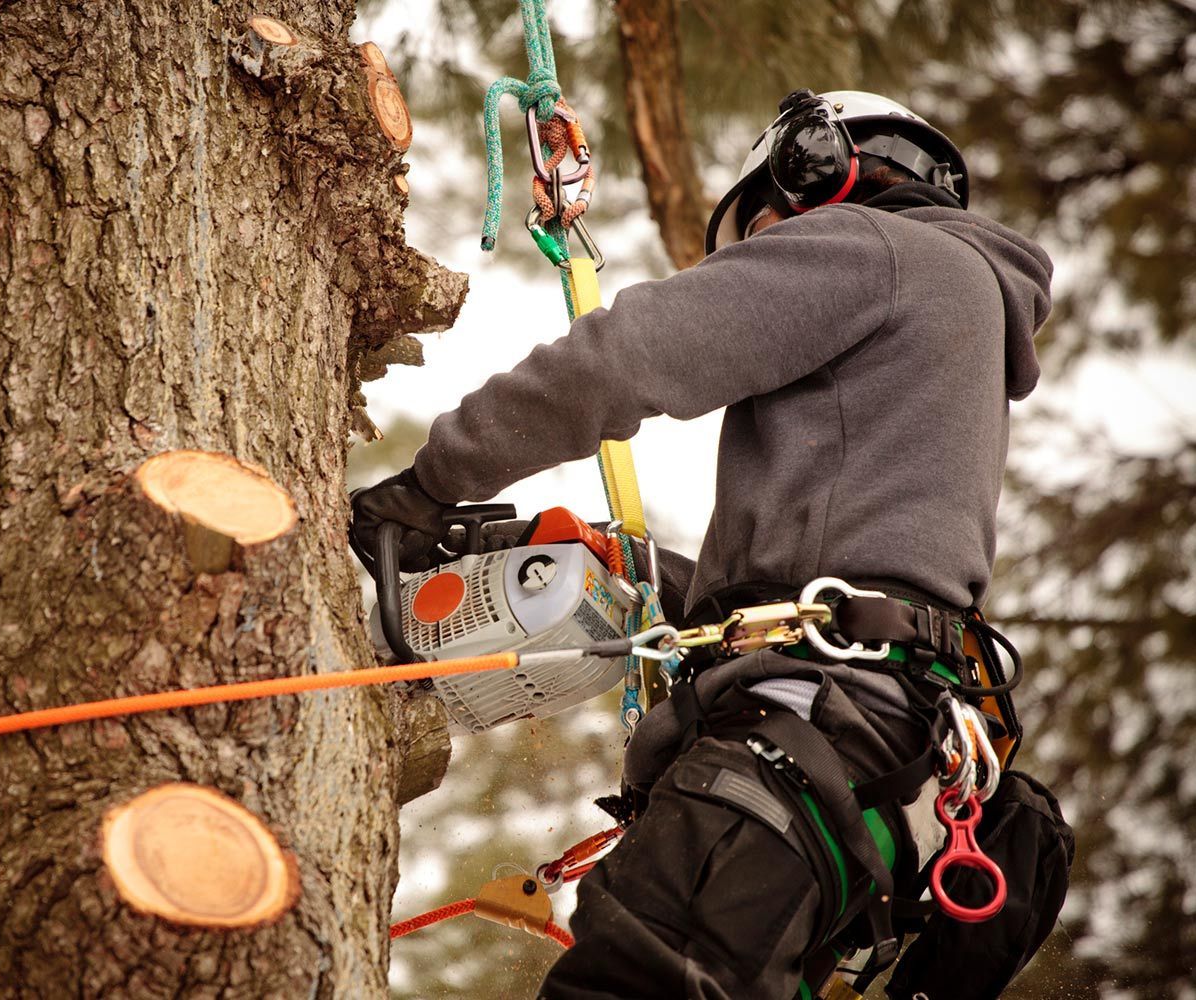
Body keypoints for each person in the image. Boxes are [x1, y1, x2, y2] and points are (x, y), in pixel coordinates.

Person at [352, 90, 1071, 999]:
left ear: (818, 171)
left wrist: (427, 486)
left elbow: (627, 358)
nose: (765, 252)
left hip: (798, 740)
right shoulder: (956, 312)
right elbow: (846, 579)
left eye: (765, 229)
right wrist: (630, 567)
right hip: (876, 763)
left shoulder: (872, 246)